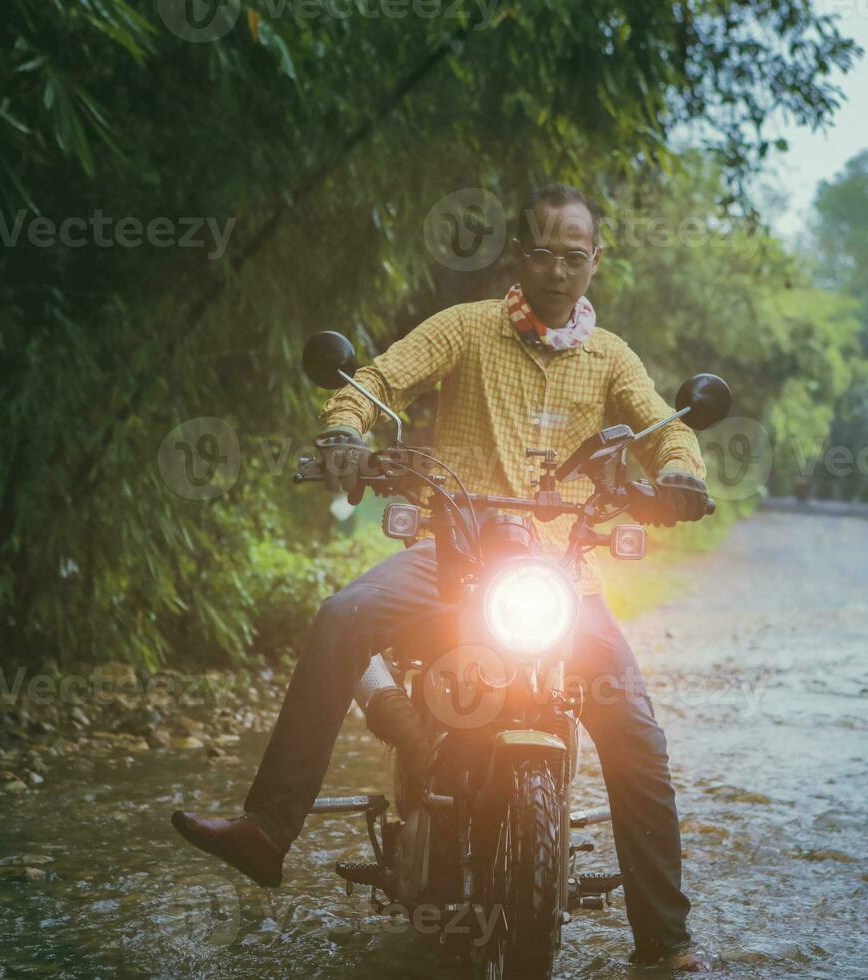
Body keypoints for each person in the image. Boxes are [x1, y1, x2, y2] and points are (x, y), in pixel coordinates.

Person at [172, 184, 712, 972]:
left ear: (595, 262)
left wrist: (683, 477)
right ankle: (266, 829)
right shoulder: (466, 328)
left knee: (636, 735)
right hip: (451, 558)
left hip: (561, 576)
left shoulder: (612, 359)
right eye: (543, 253)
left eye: (574, 255)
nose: (558, 269)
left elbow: (666, 431)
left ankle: (664, 940)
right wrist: (344, 434)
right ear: (517, 259)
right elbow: (378, 381)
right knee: (342, 614)